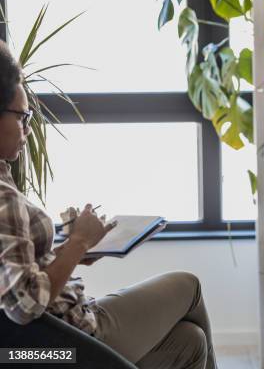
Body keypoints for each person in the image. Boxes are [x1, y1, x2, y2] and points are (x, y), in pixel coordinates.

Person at [0, 39, 217, 369]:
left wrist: (69, 253)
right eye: (22, 117)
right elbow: (23, 304)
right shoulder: (3, 195)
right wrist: (78, 242)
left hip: (55, 339)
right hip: (75, 340)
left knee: (189, 343)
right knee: (190, 285)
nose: (28, 130)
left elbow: (14, 280)